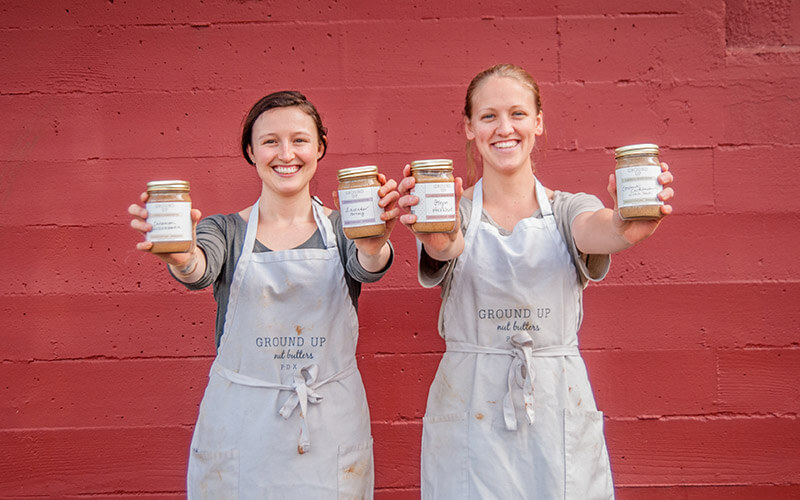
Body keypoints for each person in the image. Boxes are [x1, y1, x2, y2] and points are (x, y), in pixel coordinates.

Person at [397, 64, 675, 499]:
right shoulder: (452, 212)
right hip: (471, 406)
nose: (504, 128)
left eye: (518, 114)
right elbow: (445, 245)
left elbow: (601, 229)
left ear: (539, 123)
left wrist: (627, 220)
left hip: (555, 405)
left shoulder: (568, 209)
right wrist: (437, 235)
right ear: (469, 128)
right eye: (488, 116)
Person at [128, 90, 399, 498]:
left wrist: (375, 242)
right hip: (242, 425)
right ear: (251, 152)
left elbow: (369, 265)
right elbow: (199, 269)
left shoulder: (347, 228)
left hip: (327, 427)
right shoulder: (224, 231)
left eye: (300, 140)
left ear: (320, 148)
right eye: (270, 141)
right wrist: (180, 255)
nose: (285, 153)